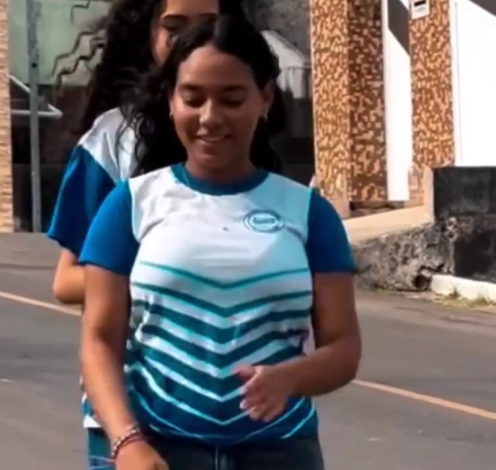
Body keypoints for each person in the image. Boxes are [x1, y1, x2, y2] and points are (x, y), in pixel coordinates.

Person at [78, 15, 361, 470]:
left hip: (278, 450)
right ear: (171, 101)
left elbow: (344, 348)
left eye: (232, 99)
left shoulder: (309, 214)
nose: (211, 117)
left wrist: (290, 377)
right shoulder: (130, 205)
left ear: (264, 98)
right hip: (154, 448)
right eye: (193, 98)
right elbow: (98, 341)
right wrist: (126, 442)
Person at [47, 1, 287, 467]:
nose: (188, 40)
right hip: (136, 417)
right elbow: (67, 280)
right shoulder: (112, 141)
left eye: (205, 24)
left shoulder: (249, 141)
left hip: (251, 421)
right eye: (173, 27)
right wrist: (169, 276)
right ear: (148, 34)